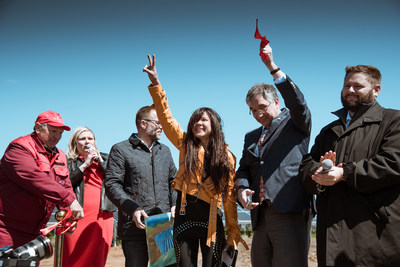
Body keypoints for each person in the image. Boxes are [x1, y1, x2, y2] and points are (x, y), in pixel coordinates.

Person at [143, 54, 247, 267]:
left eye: (204, 120)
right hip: (184, 217)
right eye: (195, 120)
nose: (198, 123)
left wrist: (233, 232)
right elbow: (167, 118)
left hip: (211, 220)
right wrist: (156, 84)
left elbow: (229, 196)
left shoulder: (227, 157)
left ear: (214, 125)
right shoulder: (184, 144)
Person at [299, 65, 400, 266]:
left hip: (376, 235)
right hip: (332, 233)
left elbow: (393, 163)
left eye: (357, 86)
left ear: (376, 90)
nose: (350, 90)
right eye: (347, 85)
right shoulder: (329, 131)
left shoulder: (393, 121)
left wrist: (346, 172)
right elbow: (306, 166)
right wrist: (320, 177)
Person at [235, 44, 312, 267]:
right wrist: (241, 189)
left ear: (276, 101)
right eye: (253, 110)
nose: (258, 114)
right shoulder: (251, 137)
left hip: (290, 210)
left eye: (262, 107)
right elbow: (243, 169)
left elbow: (298, 103)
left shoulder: (296, 124)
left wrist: (272, 66)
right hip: (260, 215)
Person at [104, 105, 177, 267]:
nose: (161, 127)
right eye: (158, 123)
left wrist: (174, 204)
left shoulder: (165, 151)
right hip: (135, 227)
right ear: (143, 124)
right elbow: (111, 184)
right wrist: (133, 209)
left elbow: (174, 182)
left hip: (163, 225)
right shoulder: (120, 150)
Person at [0, 110, 84, 248]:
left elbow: (65, 185)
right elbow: (35, 179)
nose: (57, 137)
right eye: (53, 131)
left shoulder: (60, 156)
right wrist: (70, 199)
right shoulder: (19, 148)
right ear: (38, 127)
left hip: (37, 232)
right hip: (7, 230)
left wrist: (69, 215)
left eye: (60, 133)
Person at [62, 126, 115, 267]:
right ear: (75, 143)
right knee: (74, 258)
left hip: (103, 215)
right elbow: (64, 185)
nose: (87, 141)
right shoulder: (69, 162)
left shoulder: (107, 159)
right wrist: (85, 165)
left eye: (90, 138)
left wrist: (100, 163)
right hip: (76, 215)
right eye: (82, 138)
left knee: (98, 258)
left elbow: (115, 180)